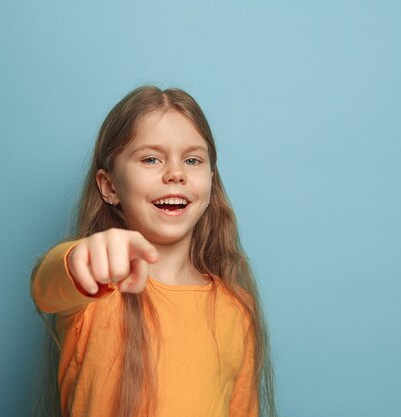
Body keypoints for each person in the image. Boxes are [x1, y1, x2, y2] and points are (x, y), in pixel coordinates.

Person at [30, 86, 277, 417]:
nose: (175, 174)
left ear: (211, 180)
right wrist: (83, 260)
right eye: (151, 159)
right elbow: (45, 286)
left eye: (192, 160)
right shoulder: (92, 289)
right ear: (110, 187)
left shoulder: (236, 309)